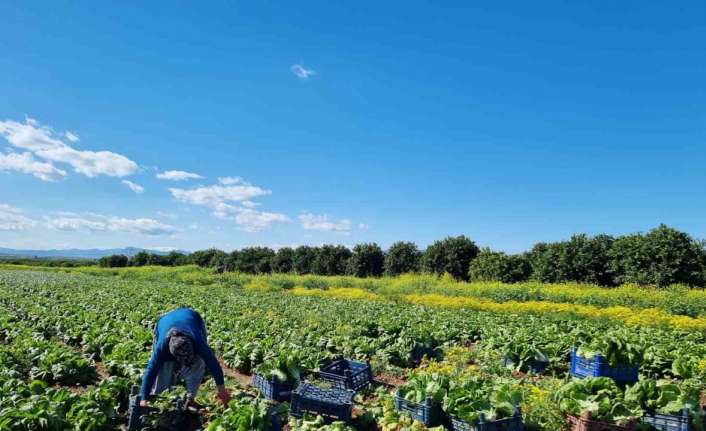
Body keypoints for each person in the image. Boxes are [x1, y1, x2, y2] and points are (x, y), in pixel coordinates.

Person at [139, 307, 231, 408]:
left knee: (198, 363)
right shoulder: (162, 349)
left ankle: (190, 399)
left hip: (193, 318)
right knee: (165, 370)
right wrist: (144, 398)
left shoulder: (199, 343)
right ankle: (161, 399)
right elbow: (150, 371)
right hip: (164, 321)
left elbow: (214, 365)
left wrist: (222, 390)